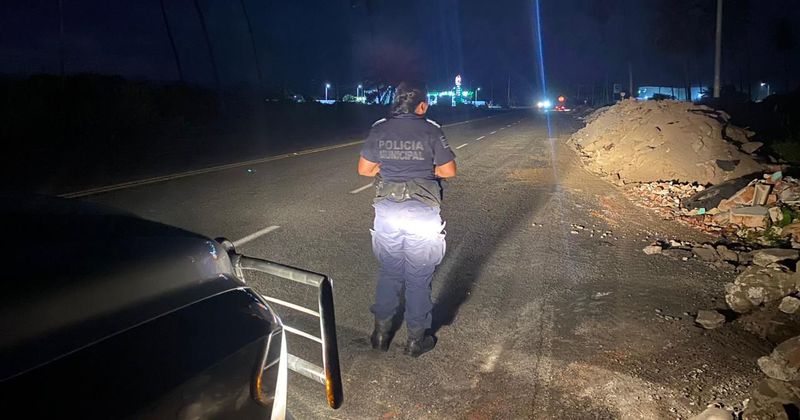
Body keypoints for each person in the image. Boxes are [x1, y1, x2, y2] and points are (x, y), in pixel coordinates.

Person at [357, 81, 457, 357]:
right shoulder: (431, 130)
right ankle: (416, 339)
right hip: (422, 211)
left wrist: (387, 167)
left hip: (388, 210)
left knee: (389, 271)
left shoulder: (380, 128)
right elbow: (448, 171)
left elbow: (364, 170)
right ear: (421, 105)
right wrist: (426, 169)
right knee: (418, 276)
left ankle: (380, 334)